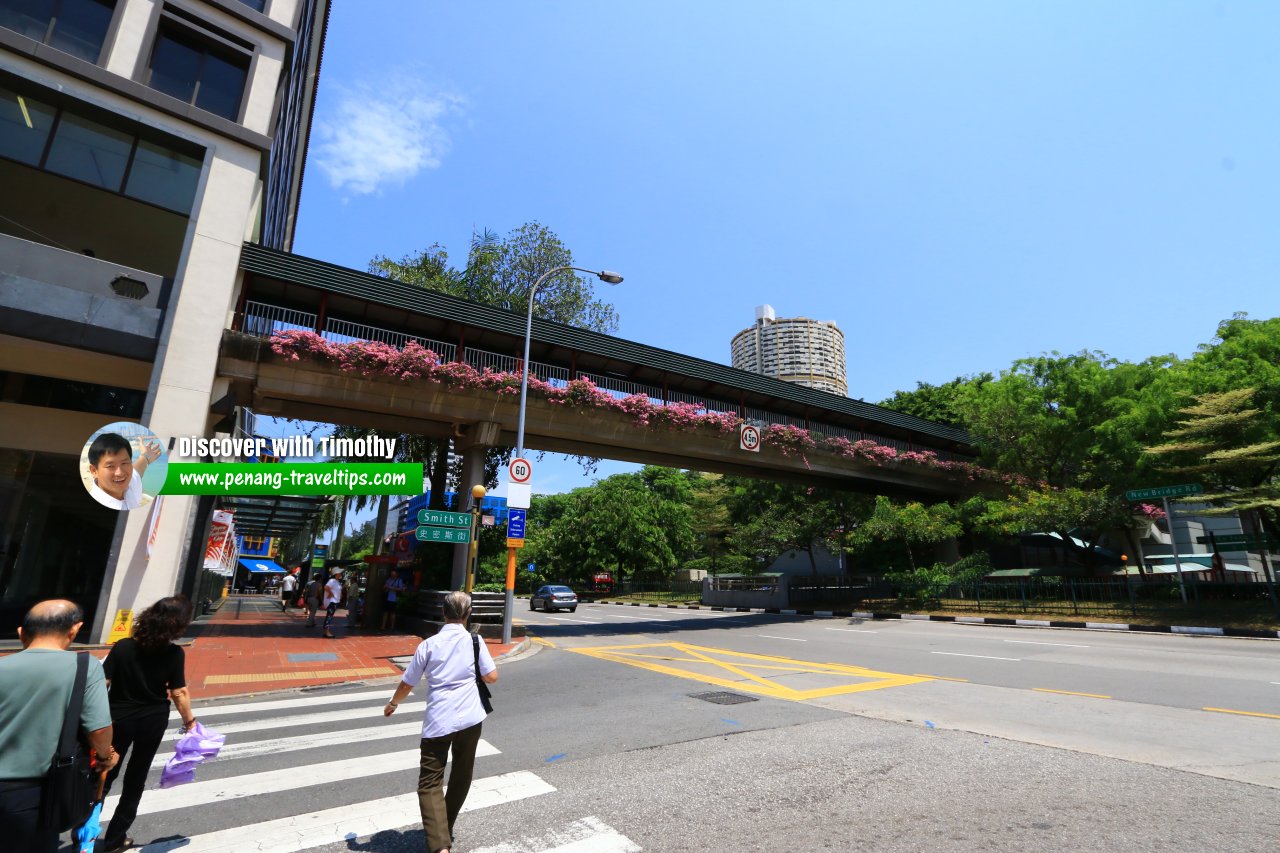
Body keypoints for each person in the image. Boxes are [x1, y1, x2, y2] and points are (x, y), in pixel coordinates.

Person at [0, 600, 118, 853]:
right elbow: (98, 729)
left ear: (22, 632)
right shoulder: (85, 668)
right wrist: (107, 756)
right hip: (34, 794)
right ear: (75, 630)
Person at [384, 591, 497, 853]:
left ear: (443, 613)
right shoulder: (475, 641)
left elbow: (407, 683)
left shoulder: (428, 645)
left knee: (429, 782)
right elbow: (492, 676)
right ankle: (445, 828)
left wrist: (393, 704)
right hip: (471, 718)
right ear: (468, 615)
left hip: (439, 720)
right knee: (462, 773)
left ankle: (440, 843)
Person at [100, 595, 196, 853]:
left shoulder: (122, 647)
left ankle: (84, 830)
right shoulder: (174, 653)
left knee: (104, 771)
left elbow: (102, 683)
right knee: (136, 776)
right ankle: (115, 839)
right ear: (177, 625)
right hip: (152, 720)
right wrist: (190, 723)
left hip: (116, 717)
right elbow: (178, 693)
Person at [87, 432, 162, 511]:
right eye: (110, 466)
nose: (120, 473)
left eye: (124, 463)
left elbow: (137, 470)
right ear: (94, 471)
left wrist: (146, 456)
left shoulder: (130, 485)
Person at [322, 570, 344, 639]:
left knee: (329, 616)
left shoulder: (337, 582)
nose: (341, 574)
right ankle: (327, 632)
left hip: (335, 601)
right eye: (340, 573)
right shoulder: (332, 581)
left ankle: (326, 631)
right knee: (329, 616)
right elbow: (326, 587)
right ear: (336, 573)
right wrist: (331, 593)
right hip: (332, 601)